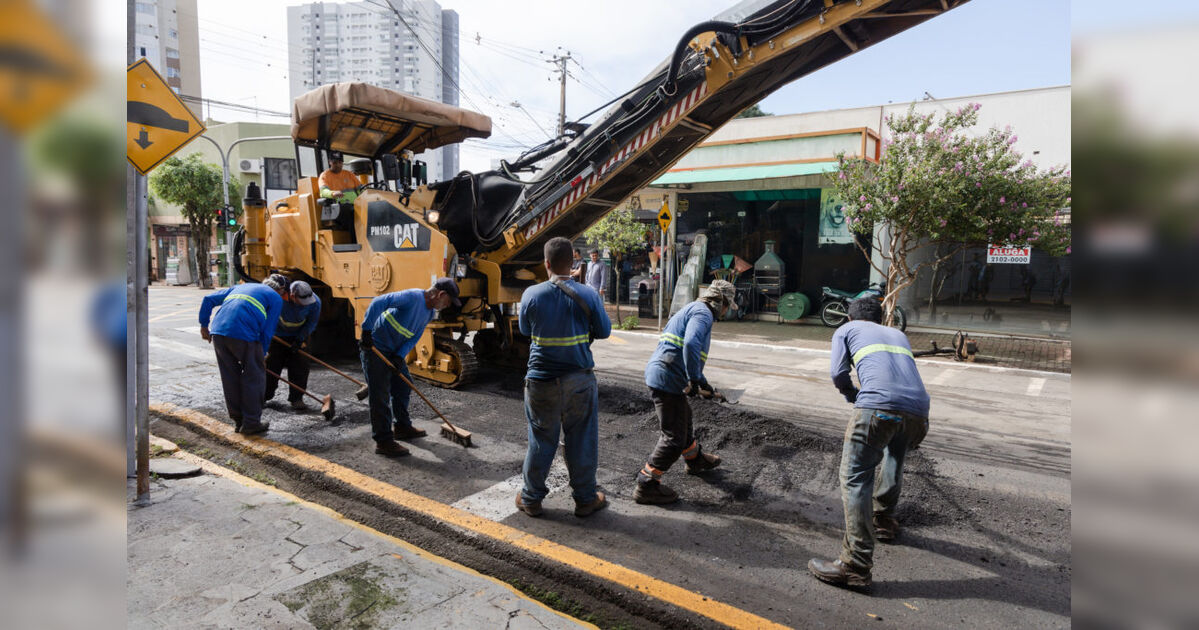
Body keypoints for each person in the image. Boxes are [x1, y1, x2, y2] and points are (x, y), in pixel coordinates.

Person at [808, 297, 930, 589]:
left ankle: (855, 564)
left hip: (878, 407)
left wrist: (852, 395)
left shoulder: (846, 331)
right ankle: (884, 520)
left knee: (855, 477)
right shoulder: (898, 334)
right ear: (881, 318)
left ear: (849, 318)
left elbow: (838, 373)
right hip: (919, 412)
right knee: (894, 457)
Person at [515, 237, 612, 518]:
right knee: (581, 440)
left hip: (541, 381)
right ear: (574, 263)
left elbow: (524, 330)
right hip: (579, 381)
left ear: (546, 264)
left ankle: (531, 499)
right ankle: (585, 499)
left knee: (541, 439)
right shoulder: (589, 294)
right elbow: (604, 332)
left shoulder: (531, 294)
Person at [633, 280, 735, 505]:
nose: (727, 312)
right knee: (673, 438)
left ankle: (695, 459)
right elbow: (690, 344)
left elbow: (689, 351)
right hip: (667, 376)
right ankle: (646, 484)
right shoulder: (703, 313)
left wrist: (703, 383)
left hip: (667, 374)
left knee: (684, 416)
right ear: (720, 302)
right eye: (728, 306)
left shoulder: (692, 309)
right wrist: (694, 379)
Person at [359, 278, 461, 457]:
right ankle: (383, 441)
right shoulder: (412, 297)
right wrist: (366, 330)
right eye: (448, 301)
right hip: (375, 347)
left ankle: (402, 426)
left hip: (393, 352)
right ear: (441, 294)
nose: (447, 306)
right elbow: (378, 302)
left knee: (403, 385)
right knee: (380, 396)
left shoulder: (429, 313)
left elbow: (415, 336)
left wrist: (400, 355)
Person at [198, 274, 287, 434]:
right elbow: (268, 330)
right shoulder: (275, 298)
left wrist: (204, 325)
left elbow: (208, 299)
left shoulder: (240, 287)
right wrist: (263, 354)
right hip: (243, 333)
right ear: (280, 290)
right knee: (254, 377)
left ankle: (239, 421)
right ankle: (251, 423)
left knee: (230, 376)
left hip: (219, 332)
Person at [264, 280, 322, 411]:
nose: (305, 304)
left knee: (300, 366)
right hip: (277, 335)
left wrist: (300, 339)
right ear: (292, 295)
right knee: (272, 366)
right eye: (301, 301)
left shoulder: (315, 302)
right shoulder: (278, 299)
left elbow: (311, 323)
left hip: (299, 335)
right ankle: (264, 396)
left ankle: (297, 398)